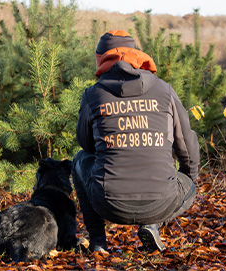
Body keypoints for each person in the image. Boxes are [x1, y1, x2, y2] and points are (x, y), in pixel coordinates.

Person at [72, 30, 200, 252]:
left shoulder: (93, 94)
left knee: (79, 160)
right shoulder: (165, 90)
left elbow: (86, 144)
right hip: (162, 200)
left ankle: (98, 242)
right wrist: (186, 181)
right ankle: (153, 222)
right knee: (188, 186)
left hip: (107, 202)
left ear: (101, 59)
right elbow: (187, 146)